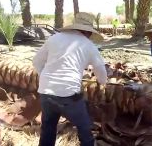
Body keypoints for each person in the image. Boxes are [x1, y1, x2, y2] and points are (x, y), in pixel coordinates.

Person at [33, 12, 107, 146]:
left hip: (45, 93)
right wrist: (103, 81)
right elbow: (102, 75)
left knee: (48, 130)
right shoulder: (89, 46)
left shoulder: (54, 38)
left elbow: (36, 61)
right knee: (85, 129)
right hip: (68, 95)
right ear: (88, 32)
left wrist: (46, 78)